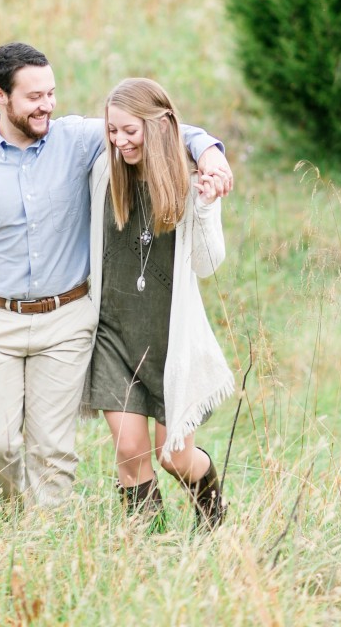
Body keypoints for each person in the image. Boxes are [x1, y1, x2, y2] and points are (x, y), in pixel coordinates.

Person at [0, 43, 233, 508]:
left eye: (50, 93)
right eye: (33, 97)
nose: (46, 104)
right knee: (4, 445)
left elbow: (158, 124)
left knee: (84, 452)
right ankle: (30, 518)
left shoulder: (77, 140)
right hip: (14, 322)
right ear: (0, 96)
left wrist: (208, 151)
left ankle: (60, 538)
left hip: (95, 325)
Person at [85, 77, 235, 530]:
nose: (119, 140)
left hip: (171, 341)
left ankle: (214, 516)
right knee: (130, 450)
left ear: (159, 123)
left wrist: (207, 206)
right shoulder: (101, 173)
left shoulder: (192, 183)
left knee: (175, 457)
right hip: (113, 333)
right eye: (112, 130)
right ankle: (147, 546)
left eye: (130, 131)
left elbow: (208, 265)